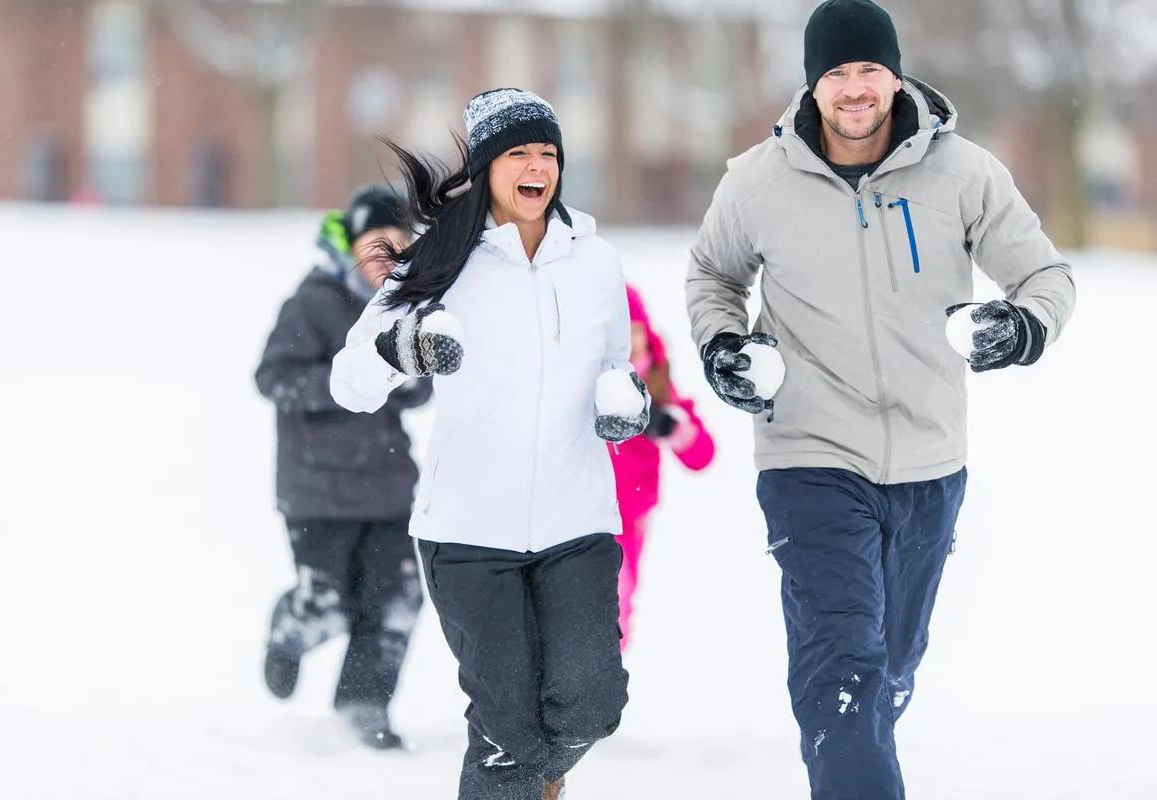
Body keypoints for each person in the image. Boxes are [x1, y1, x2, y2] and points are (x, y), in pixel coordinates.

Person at [684, 2, 1076, 797]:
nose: (854, 88)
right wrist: (721, 343)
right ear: (812, 85)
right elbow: (712, 275)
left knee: (889, 668)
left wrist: (1022, 326)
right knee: (840, 671)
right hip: (807, 455)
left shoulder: (962, 173)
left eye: (868, 69)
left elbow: (1044, 276)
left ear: (895, 76)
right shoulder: (757, 180)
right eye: (836, 73)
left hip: (929, 462)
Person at [330, 88, 642, 800]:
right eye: (518, 153)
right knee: (508, 734)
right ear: (485, 167)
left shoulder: (596, 261)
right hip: (468, 534)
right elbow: (350, 385)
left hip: (577, 523)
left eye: (548, 153)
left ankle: (532, 781)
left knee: (592, 706)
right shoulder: (438, 260)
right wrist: (403, 345)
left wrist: (625, 404)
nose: (537, 167)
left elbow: (615, 365)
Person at [255, 186, 430, 750]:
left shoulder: (404, 310)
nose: (388, 255)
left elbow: (418, 390)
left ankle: (364, 702)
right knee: (330, 599)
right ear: (350, 243)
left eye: (400, 244)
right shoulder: (314, 302)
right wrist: (344, 383)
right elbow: (273, 377)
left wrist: (409, 374)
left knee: (396, 599)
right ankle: (294, 624)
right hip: (318, 489)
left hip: (388, 487)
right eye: (377, 241)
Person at [611, 285, 715, 650]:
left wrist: (670, 425)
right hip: (582, 514)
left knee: (616, 606)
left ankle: (606, 668)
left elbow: (702, 454)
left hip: (630, 520)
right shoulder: (591, 382)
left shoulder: (657, 385)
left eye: (632, 330)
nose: (627, 342)